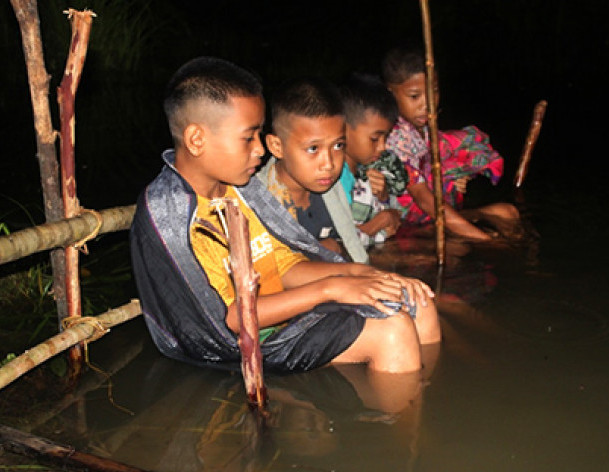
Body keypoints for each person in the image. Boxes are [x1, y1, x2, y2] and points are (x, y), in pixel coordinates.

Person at [130, 57, 440, 377]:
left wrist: (360, 275)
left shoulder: (237, 191)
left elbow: (283, 265)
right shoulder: (176, 217)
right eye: (248, 137)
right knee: (392, 331)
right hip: (247, 339)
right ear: (197, 140)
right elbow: (231, 319)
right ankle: (402, 425)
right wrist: (331, 288)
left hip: (284, 310)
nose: (259, 150)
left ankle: (424, 405)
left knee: (416, 302)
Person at [382, 47, 521, 241]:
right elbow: (424, 199)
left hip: (434, 216)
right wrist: (484, 240)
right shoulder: (396, 137)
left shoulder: (423, 130)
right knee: (463, 247)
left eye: (434, 92)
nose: (428, 104)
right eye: (415, 97)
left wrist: (455, 179)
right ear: (390, 93)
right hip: (413, 225)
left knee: (507, 212)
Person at [257, 77, 369, 263]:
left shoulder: (332, 189)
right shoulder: (258, 202)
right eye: (313, 149)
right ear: (277, 146)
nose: (329, 164)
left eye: (338, 145)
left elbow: (352, 245)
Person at [338, 73, 407, 247]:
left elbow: (397, 213)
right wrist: (378, 224)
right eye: (375, 139)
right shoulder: (334, 178)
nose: (383, 147)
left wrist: (383, 197)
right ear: (343, 130)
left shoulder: (369, 168)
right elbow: (339, 244)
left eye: (386, 137)